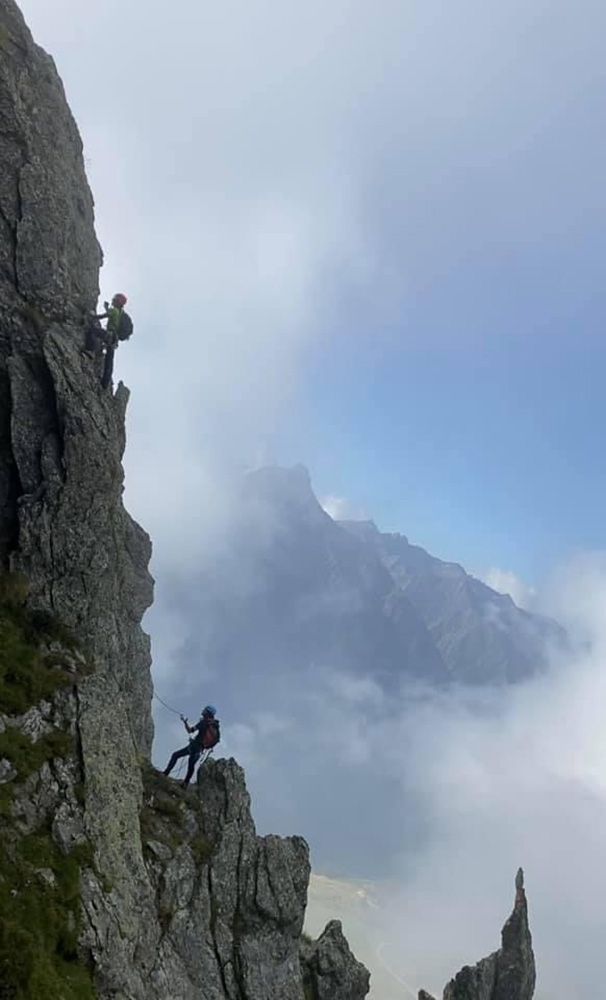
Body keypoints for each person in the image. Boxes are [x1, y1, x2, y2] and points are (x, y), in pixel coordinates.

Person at [163, 705, 221, 788]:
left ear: (207, 713)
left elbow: (190, 730)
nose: (203, 710)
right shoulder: (212, 725)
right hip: (200, 749)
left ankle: (166, 773)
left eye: (205, 710)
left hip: (194, 747)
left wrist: (185, 722)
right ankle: (185, 783)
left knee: (175, 755)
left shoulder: (204, 722)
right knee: (191, 765)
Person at [85, 293, 130, 389]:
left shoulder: (114, 311)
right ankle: (105, 383)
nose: (112, 300)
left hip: (109, 335)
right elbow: (113, 317)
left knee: (92, 331)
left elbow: (103, 316)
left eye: (114, 299)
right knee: (109, 360)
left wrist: (92, 315)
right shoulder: (119, 312)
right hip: (114, 339)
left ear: (117, 301)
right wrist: (106, 308)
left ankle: (90, 350)